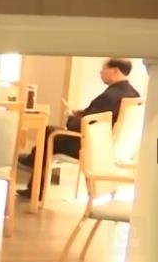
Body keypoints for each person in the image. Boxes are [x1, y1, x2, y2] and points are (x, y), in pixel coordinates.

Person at [17, 58, 140, 199]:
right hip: (109, 145)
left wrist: (70, 118)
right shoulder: (133, 94)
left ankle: (34, 176)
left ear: (115, 71)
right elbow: (100, 115)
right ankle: (33, 164)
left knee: (49, 133)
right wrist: (79, 113)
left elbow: (84, 125)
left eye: (104, 68)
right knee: (51, 133)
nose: (100, 72)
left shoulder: (109, 96)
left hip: (92, 146)